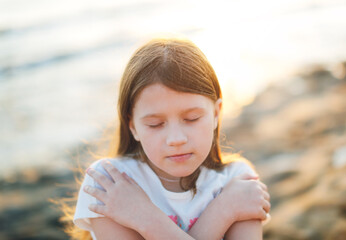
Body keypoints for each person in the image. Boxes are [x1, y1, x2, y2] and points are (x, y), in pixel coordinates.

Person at [73, 38, 270, 240]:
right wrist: (224, 211)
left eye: (191, 118)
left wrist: (146, 220)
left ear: (216, 114)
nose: (176, 139)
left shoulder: (238, 181)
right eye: (155, 124)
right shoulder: (110, 183)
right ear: (133, 127)